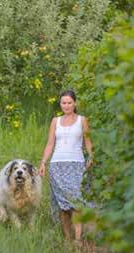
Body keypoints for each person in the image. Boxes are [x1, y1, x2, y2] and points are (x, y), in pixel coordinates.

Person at [39, 89, 93, 244]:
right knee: (63, 206)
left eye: (69, 102)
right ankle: (67, 239)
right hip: (57, 166)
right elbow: (50, 144)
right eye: (63, 102)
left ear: (74, 103)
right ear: (60, 104)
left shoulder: (82, 120)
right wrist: (43, 162)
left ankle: (77, 239)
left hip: (76, 165)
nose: (66, 105)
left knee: (76, 204)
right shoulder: (55, 121)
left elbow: (88, 142)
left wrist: (91, 156)